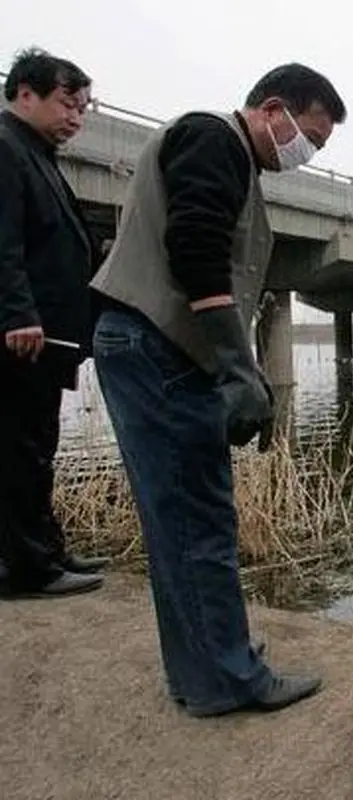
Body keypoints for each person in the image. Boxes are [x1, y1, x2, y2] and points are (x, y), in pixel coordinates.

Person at [89, 63, 346, 717]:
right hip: (158, 350)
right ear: (273, 109)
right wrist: (237, 367)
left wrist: (241, 369)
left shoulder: (232, 158)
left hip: (151, 349)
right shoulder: (214, 139)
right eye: (307, 136)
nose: (307, 152)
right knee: (200, 520)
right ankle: (232, 678)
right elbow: (196, 248)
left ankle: (202, 674)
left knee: (176, 521)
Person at [0, 48, 110, 598]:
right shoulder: (5, 148)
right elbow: (4, 240)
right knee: (22, 448)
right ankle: (29, 567)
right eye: (68, 103)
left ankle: (44, 548)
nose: (76, 117)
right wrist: (16, 312)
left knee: (36, 444)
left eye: (84, 109)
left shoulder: (35, 152)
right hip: (24, 335)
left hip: (48, 333)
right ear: (25, 93)